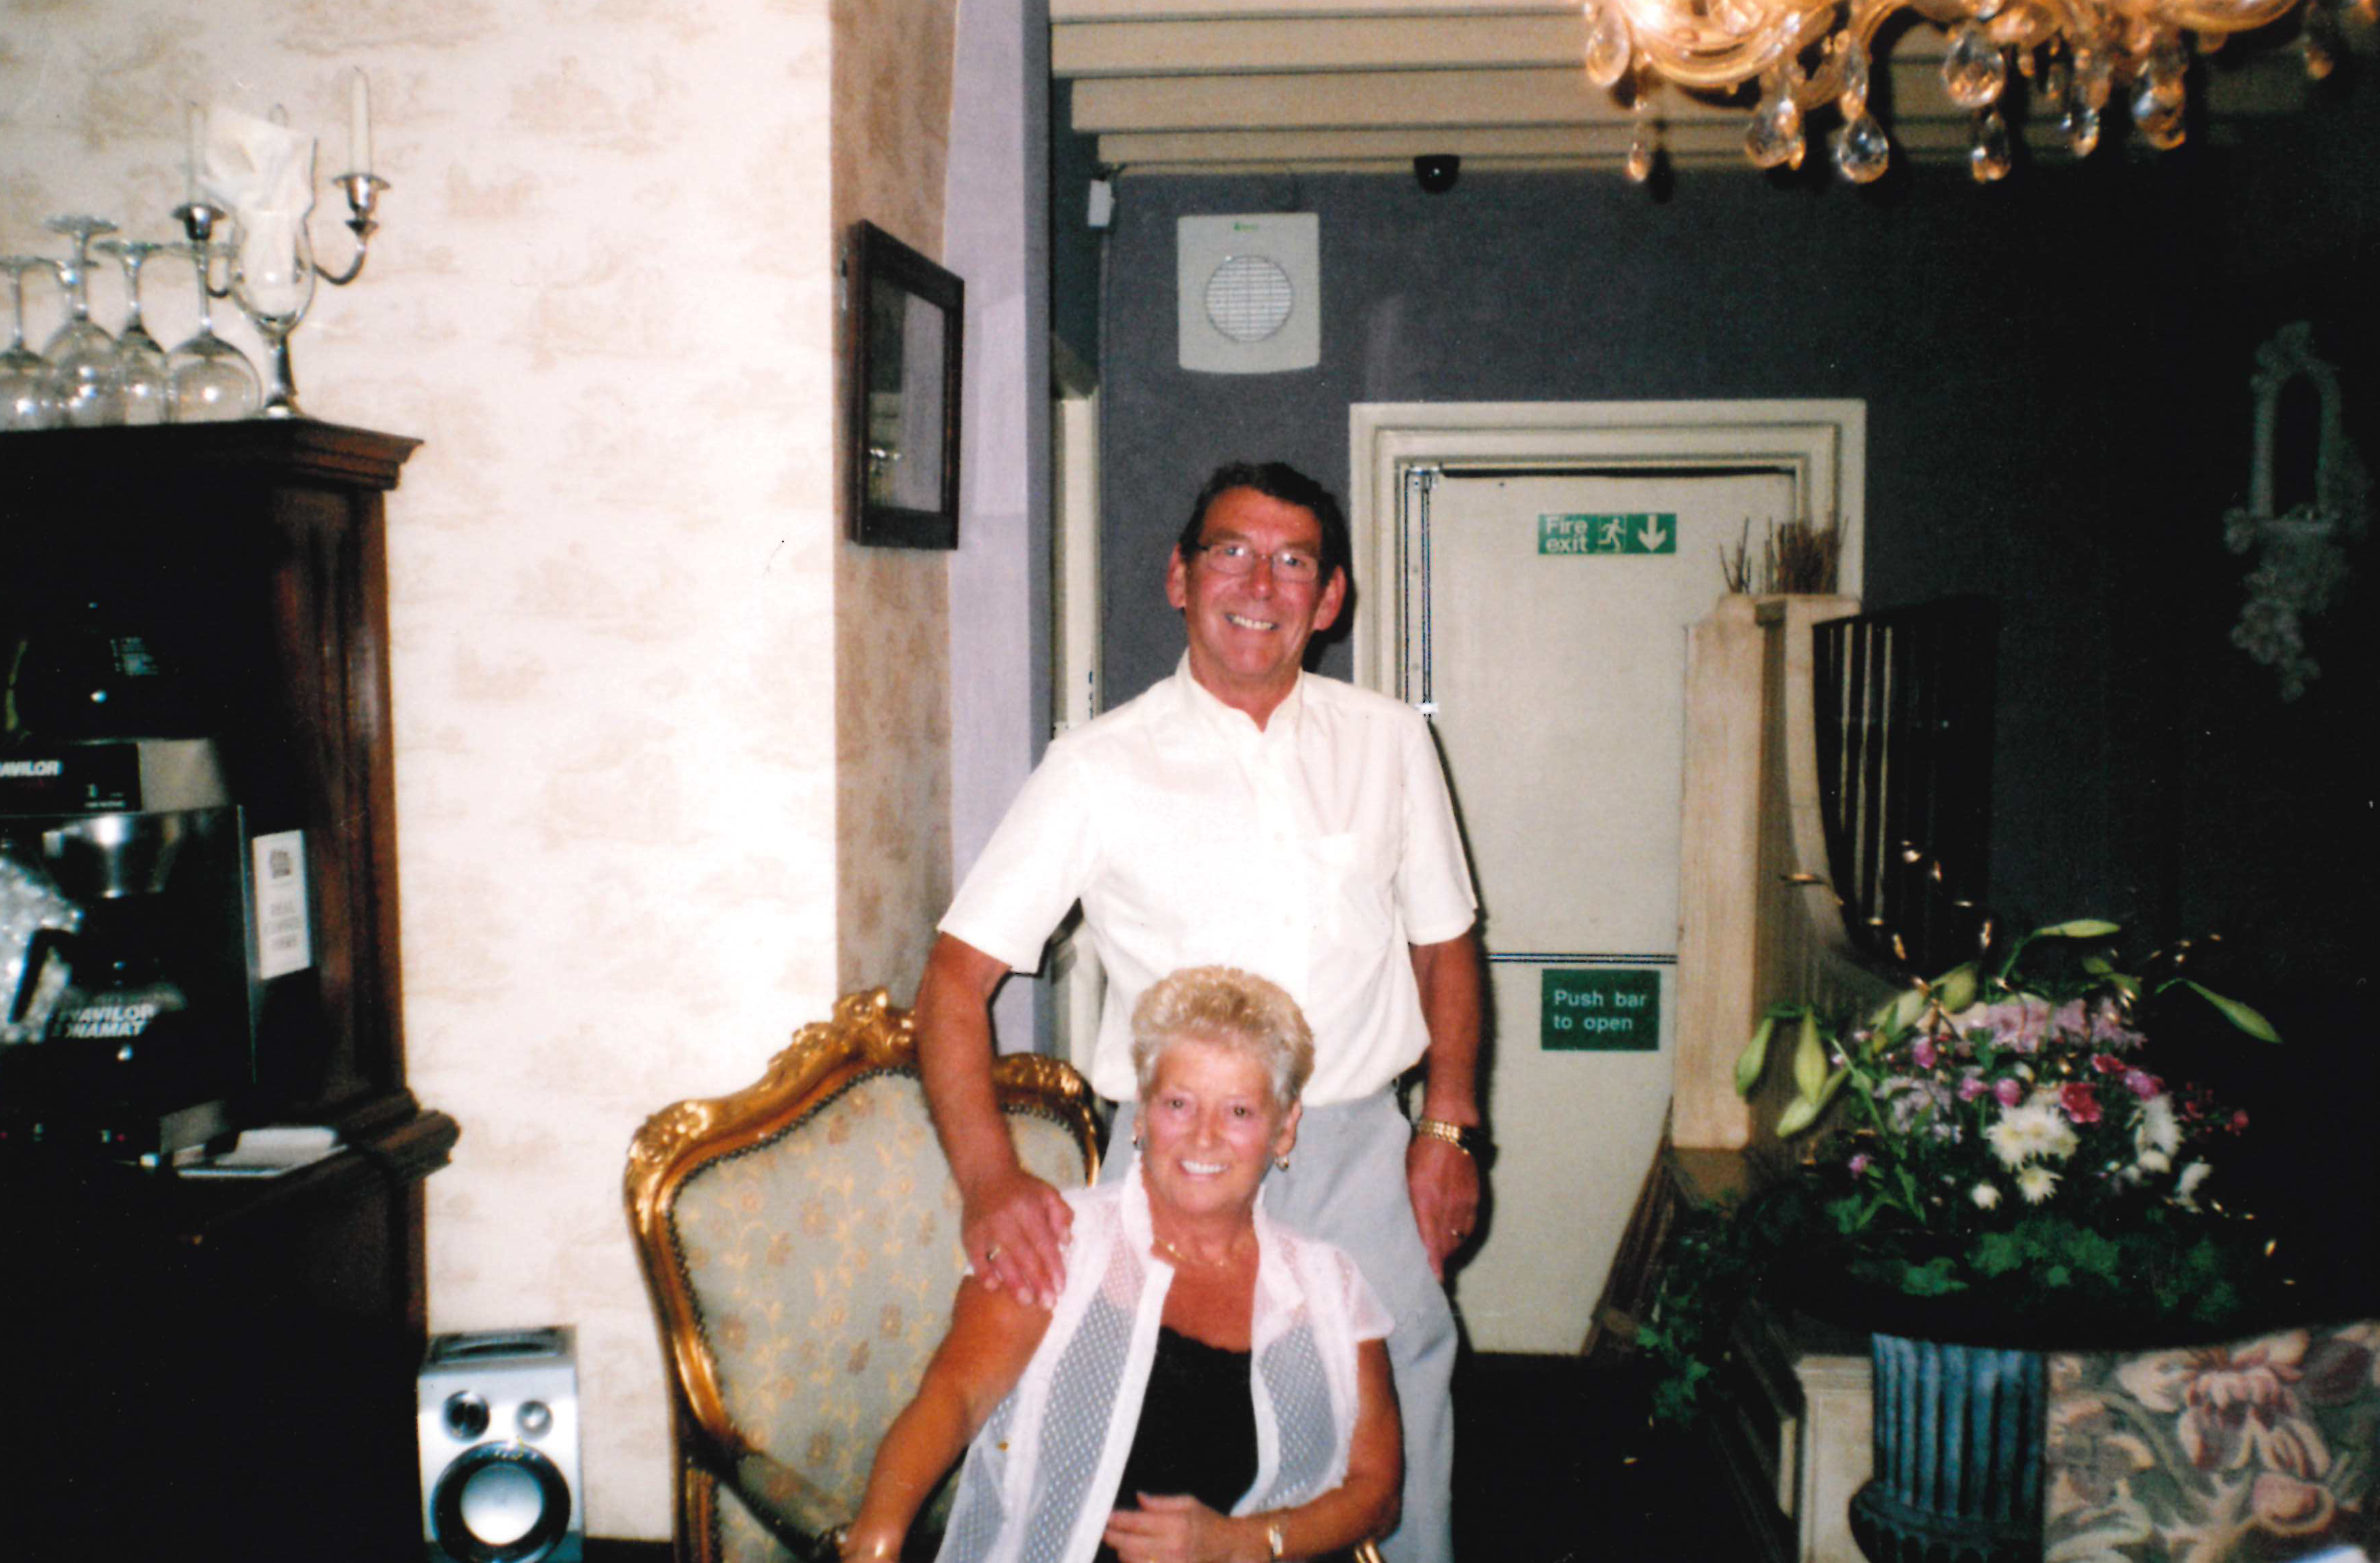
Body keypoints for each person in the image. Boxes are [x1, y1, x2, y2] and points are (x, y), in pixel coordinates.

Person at [914, 461, 1484, 1563]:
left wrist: (1447, 1125)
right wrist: (988, 1175)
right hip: (1173, 1151)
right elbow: (952, 979)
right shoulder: (1095, 766)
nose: (1257, 583)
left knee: (1399, 1415)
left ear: (1329, 600)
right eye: (1228, 550)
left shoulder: (1388, 743)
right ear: (1178, 577)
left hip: (1359, 1139)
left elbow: (1442, 941)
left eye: (1291, 561)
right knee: (1158, 1427)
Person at [844, 967, 1402, 1563]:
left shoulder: (1326, 1286)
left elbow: (1377, 1490)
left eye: (1239, 1111)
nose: (1204, 1137)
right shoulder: (1057, 1243)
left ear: (1284, 1129)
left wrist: (1242, 1544)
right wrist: (882, 1528)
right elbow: (953, 1397)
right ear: (1140, 1114)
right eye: (1179, 1103)